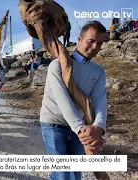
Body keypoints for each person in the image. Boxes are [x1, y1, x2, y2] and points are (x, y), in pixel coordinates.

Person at [40, 21, 108, 180]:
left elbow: (99, 100)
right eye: (91, 41)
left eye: (99, 43)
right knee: (62, 173)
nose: (95, 47)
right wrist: (81, 129)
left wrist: (99, 127)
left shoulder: (98, 72)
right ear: (79, 39)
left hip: (79, 129)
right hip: (53, 124)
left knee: (76, 175)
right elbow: (62, 99)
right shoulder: (57, 65)